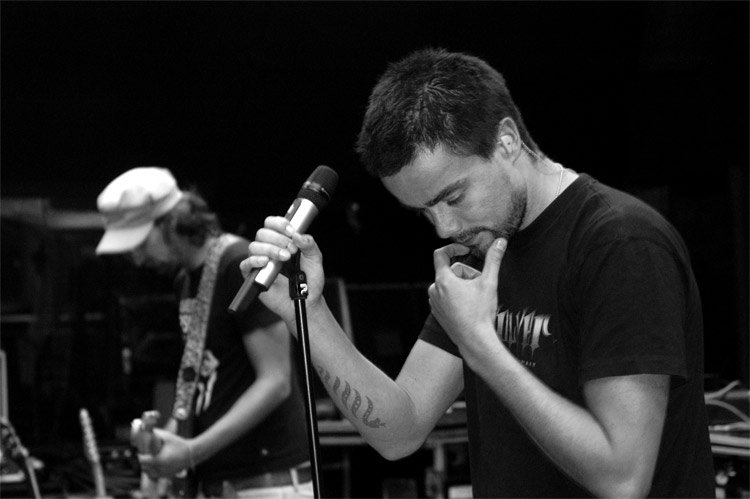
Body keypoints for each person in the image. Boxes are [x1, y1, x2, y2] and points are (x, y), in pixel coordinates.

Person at [240, 49, 716, 498]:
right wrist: (308, 312)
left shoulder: (619, 243)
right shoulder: (481, 250)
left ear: (506, 142)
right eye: (424, 212)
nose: (445, 228)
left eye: (453, 197)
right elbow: (400, 432)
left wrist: (481, 346)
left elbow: (623, 478)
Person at [95, 167, 312, 498]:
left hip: (269, 482)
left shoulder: (238, 264)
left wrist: (192, 452)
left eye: (140, 243)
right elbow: (206, 378)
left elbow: (276, 381)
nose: (136, 259)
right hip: (225, 484)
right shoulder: (186, 279)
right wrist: (167, 446)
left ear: (171, 222)